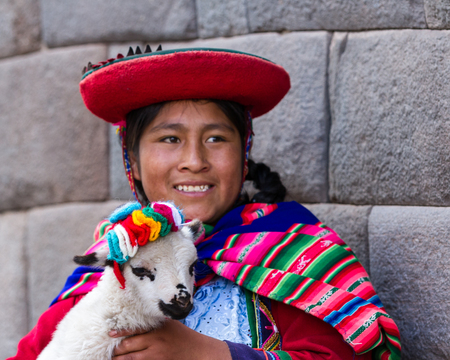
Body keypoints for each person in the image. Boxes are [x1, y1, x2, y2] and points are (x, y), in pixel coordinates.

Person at [9, 46, 401, 360]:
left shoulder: (293, 257)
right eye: (169, 139)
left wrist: (210, 354)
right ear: (133, 163)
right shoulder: (110, 269)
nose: (194, 161)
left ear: (243, 155)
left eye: (216, 138)